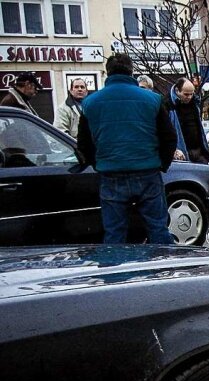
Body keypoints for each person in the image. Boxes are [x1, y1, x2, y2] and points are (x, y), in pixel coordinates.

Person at [77, 54, 177, 245]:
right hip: (147, 172)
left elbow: (84, 144)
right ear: (131, 72)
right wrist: (161, 164)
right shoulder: (152, 99)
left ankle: (117, 272)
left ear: (108, 72)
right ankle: (164, 270)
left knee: (114, 233)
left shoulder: (90, 103)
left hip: (111, 174)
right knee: (158, 229)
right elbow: (169, 137)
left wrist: (99, 164)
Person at [165, 77, 209, 164]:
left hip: (197, 150)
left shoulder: (195, 103)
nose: (189, 97)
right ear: (177, 90)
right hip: (180, 152)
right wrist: (173, 149)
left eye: (191, 94)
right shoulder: (167, 105)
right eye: (186, 94)